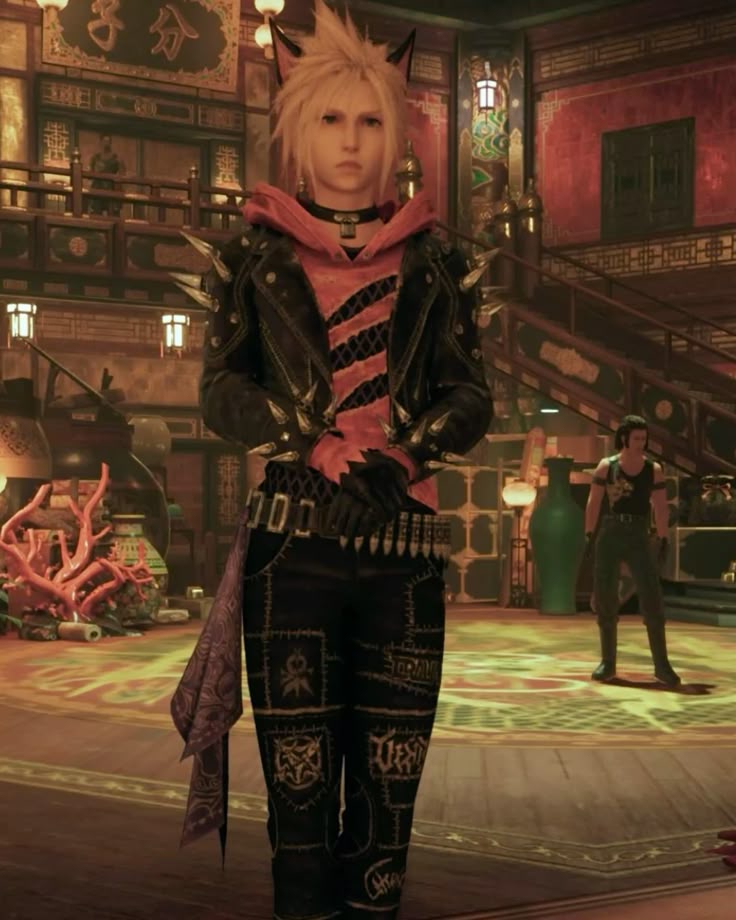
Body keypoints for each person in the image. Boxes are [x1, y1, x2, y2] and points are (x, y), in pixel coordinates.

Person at [170, 3, 492, 918]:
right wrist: (319, 446)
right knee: (299, 798)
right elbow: (221, 391)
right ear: (296, 132)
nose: (350, 142)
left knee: (390, 797)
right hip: (293, 556)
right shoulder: (252, 260)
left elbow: (472, 396)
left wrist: (404, 457)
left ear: (396, 136)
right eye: (330, 119)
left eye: (370, 121)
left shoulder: (437, 265)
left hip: (402, 558)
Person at [584, 414, 681, 687]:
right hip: (611, 531)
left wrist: (663, 537)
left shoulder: (653, 469)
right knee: (605, 598)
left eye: (644, 438)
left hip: (639, 534)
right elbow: (594, 502)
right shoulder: (607, 466)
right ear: (624, 438)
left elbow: (660, 505)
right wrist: (589, 534)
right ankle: (608, 662)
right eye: (637, 438)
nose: (641, 443)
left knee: (652, 598)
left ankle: (662, 665)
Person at [89, 134, 124, 216]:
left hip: (111, 186)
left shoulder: (116, 158)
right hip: (98, 186)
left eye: (108, 141)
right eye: (104, 141)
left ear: (110, 143)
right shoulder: (95, 158)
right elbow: (90, 173)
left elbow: (122, 173)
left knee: (113, 212)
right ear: (101, 142)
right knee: (96, 212)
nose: (106, 143)